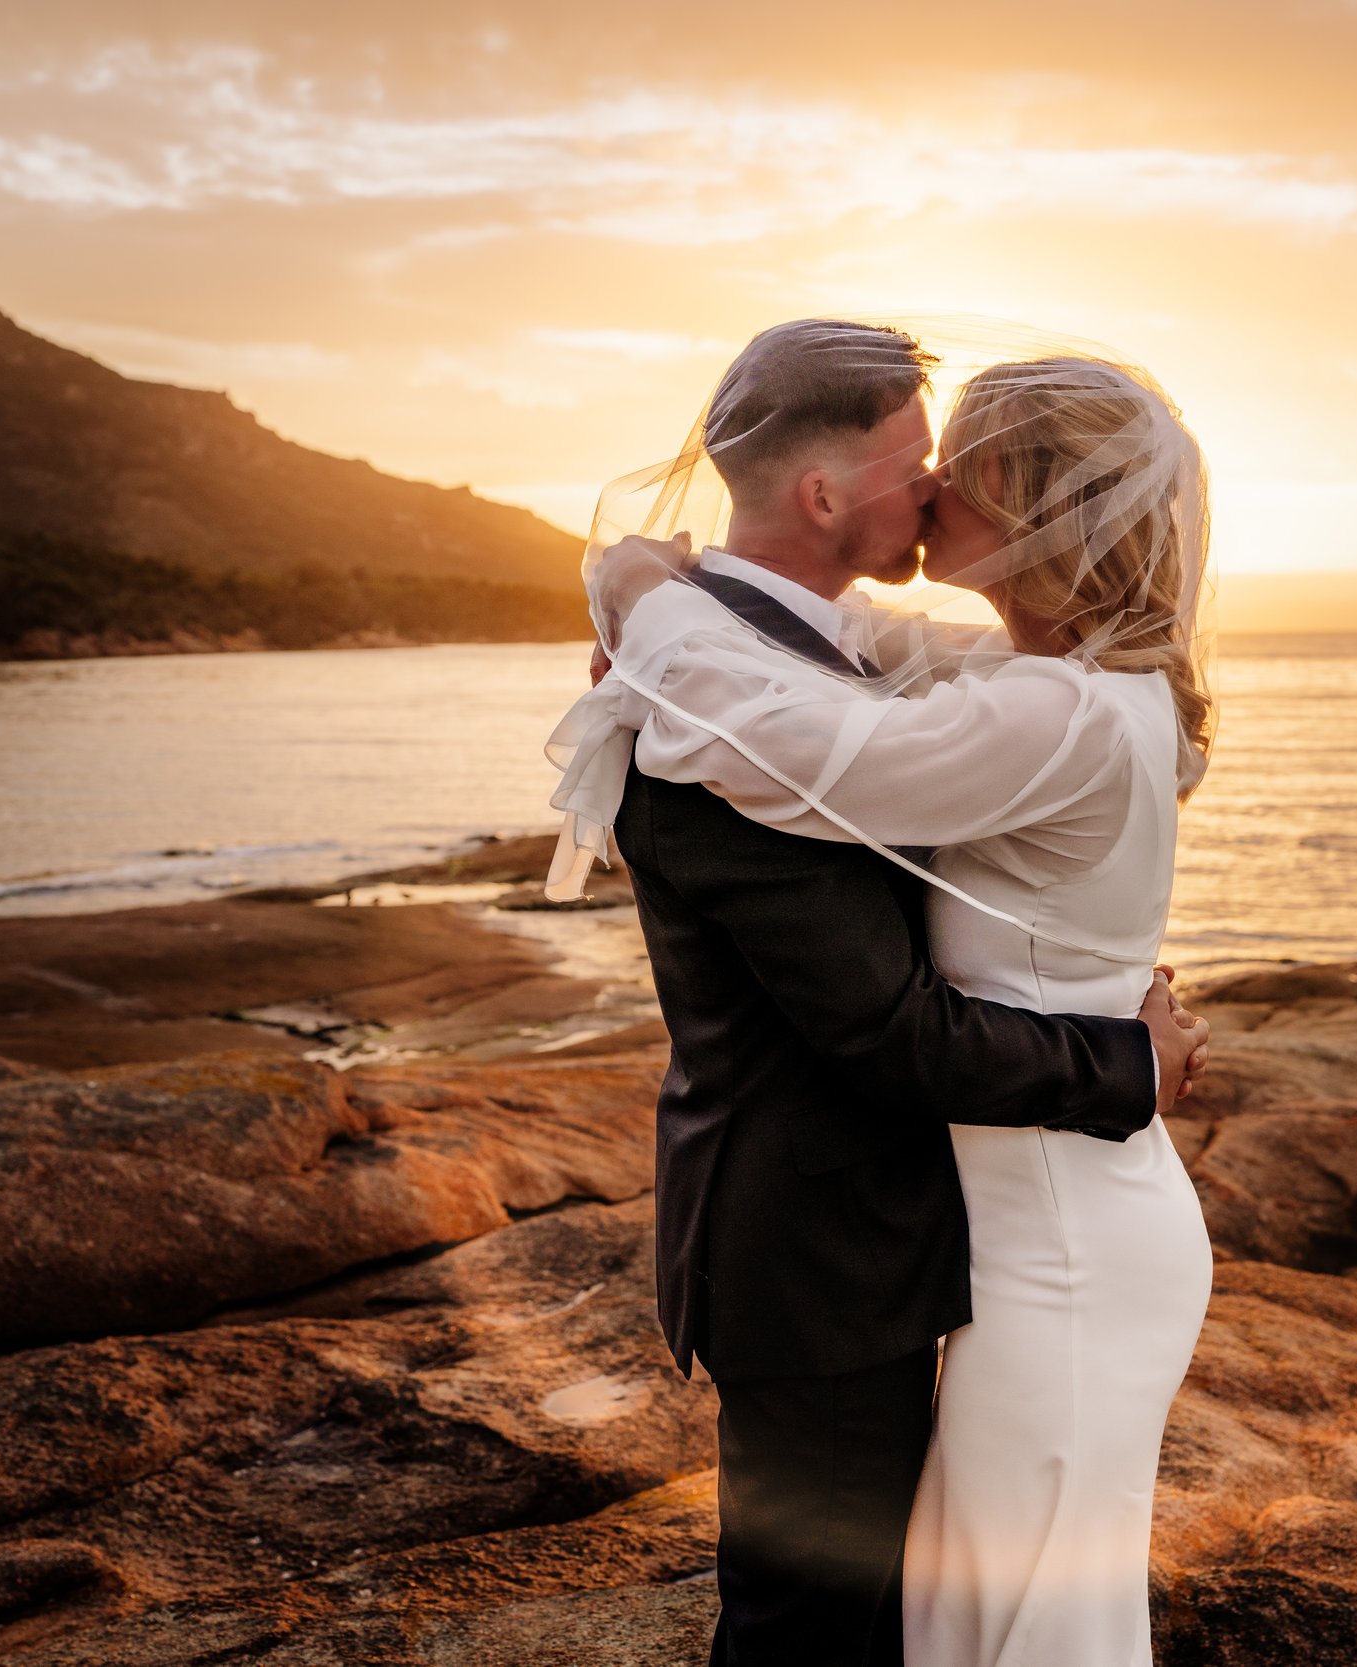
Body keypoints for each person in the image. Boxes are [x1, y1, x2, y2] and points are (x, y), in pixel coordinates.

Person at [546, 319, 1212, 1666]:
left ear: (1034, 517)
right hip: (835, 1252)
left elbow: (817, 735)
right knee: (876, 1628)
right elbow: (878, 1021)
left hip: (1033, 1246)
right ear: (825, 493)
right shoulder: (1040, 689)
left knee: (1005, 1623)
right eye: (924, 461)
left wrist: (642, 591)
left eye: (961, 469)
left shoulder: (1035, 709)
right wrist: (1125, 1068)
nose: (935, 492)